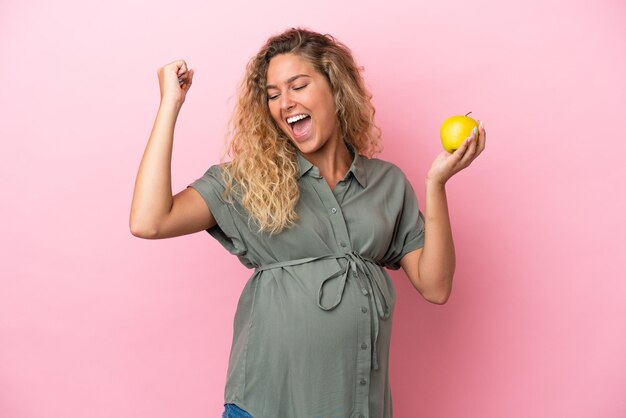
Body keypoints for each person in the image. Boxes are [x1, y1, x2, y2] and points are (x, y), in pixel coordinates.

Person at [130, 28, 485, 418]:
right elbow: (149, 221)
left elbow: (435, 287)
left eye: (297, 86)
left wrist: (436, 185)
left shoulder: (387, 183)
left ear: (335, 87)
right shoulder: (250, 180)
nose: (285, 103)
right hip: (265, 406)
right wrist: (170, 105)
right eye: (273, 94)